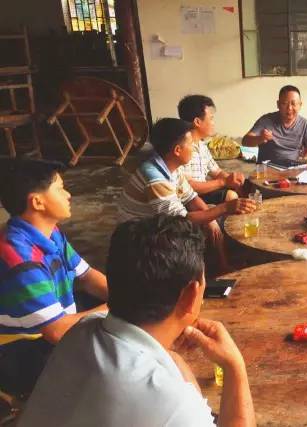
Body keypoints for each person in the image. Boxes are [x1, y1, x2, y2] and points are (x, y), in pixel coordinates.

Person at [19, 215, 256, 426]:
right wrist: (234, 366)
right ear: (192, 295)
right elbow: (174, 404)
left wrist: (171, 349)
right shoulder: (170, 404)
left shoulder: (83, 329)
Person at [0, 159, 108, 397]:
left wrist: (129, 295)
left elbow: (87, 276)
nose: (68, 195)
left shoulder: (50, 233)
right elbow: (57, 331)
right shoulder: (19, 258)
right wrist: (121, 306)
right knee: (109, 368)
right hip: (21, 351)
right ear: (37, 202)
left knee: (122, 308)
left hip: (50, 326)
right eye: (60, 189)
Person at [119, 118, 256, 274]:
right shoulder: (155, 179)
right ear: (177, 150)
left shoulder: (172, 166)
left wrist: (211, 218)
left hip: (160, 221)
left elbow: (191, 197)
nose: (193, 148)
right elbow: (181, 221)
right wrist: (224, 208)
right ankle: (198, 276)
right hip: (140, 236)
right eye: (191, 144)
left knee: (214, 218)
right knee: (200, 227)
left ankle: (221, 265)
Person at [178, 94, 246, 203]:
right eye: (211, 118)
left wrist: (234, 180)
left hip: (203, 193)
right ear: (197, 122)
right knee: (231, 196)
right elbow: (189, 186)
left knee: (245, 187)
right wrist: (223, 182)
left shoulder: (202, 145)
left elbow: (217, 172)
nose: (213, 123)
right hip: (190, 198)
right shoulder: (183, 148)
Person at [242, 85, 307, 163]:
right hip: (267, 167)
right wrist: (261, 138)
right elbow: (245, 141)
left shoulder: (304, 123)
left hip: (293, 167)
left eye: (293, 104)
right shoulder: (266, 120)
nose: (289, 108)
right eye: (285, 103)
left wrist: (303, 160)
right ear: (278, 104)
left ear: (300, 105)